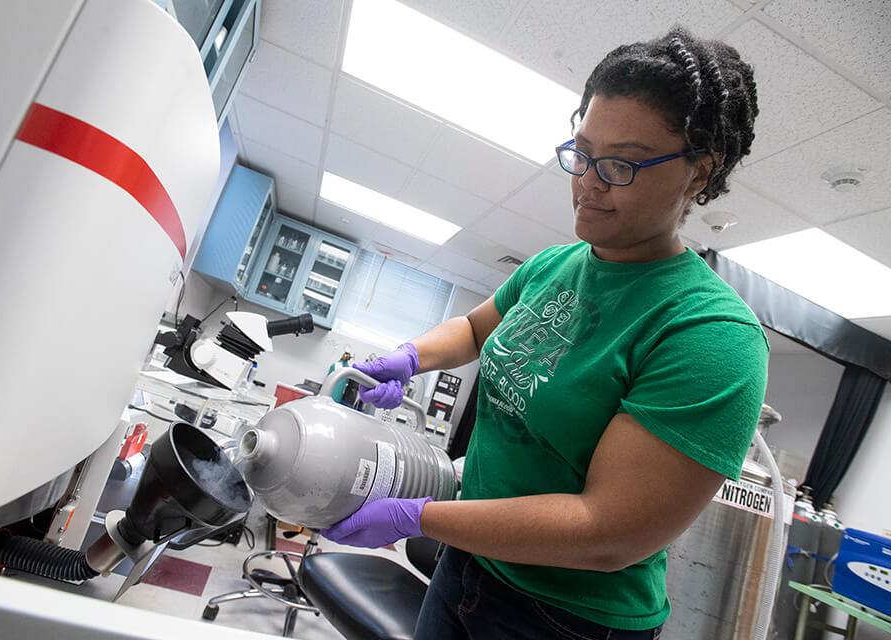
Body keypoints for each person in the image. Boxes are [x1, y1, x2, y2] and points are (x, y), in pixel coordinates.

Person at [323, 26, 765, 639]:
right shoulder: (555, 266)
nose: (588, 182)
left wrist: (420, 517)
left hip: (567, 617)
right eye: (582, 153)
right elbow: (477, 329)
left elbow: (605, 533)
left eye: (621, 164)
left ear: (698, 174)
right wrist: (410, 357)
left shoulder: (709, 335)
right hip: (470, 565)